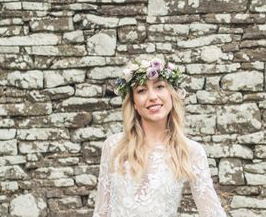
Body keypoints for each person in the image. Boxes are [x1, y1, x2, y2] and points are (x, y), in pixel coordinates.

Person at [93, 56, 226, 217]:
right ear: (134, 102)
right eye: (142, 90)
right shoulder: (113, 146)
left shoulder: (190, 151)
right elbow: (101, 211)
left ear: (171, 94)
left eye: (159, 87)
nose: (152, 97)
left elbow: (213, 213)